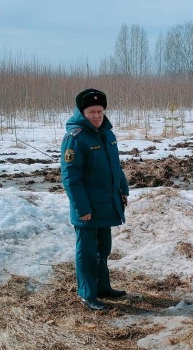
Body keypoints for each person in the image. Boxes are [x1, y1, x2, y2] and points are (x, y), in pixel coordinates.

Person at [61, 88, 130, 311]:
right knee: (88, 251)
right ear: (82, 112)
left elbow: (115, 167)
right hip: (88, 207)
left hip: (106, 202)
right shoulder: (75, 138)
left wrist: (123, 189)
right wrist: (82, 208)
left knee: (103, 248)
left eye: (100, 111)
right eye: (92, 112)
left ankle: (102, 287)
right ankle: (87, 294)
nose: (97, 116)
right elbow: (71, 177)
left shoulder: (108, 134)